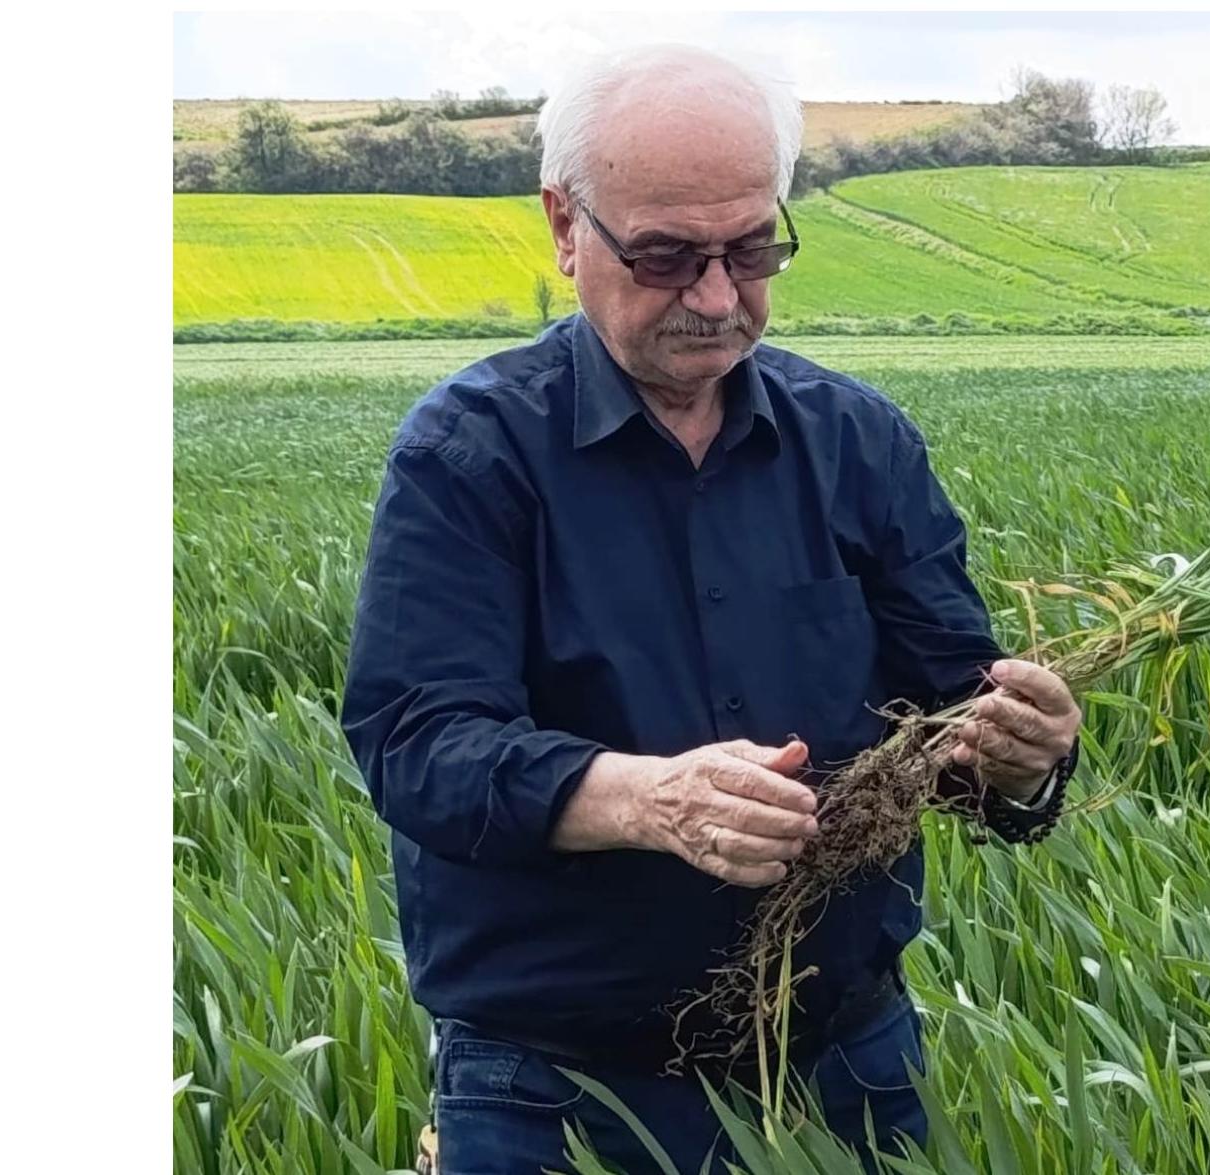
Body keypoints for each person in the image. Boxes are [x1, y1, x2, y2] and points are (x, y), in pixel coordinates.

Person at [341, 43, 1083, 1175]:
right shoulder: (470, 453)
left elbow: (955, 712)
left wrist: (1024, 756)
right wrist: (646, 796)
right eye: (666, 255)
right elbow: (416, 744)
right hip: (555, 1089)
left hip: (842, 1067)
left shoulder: (859, 443)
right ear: (562, 226)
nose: (717, 296)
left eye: (750, 248)